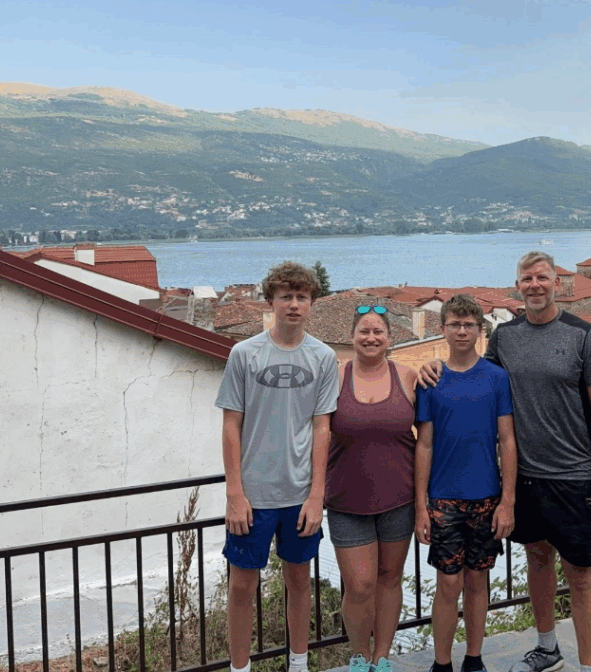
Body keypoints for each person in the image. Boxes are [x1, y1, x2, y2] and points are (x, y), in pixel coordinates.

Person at [420, 252, 591, 672]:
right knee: (537, 560)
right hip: (525, 476)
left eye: (542, 278)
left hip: (574, 475)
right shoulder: (505, 337)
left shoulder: (584, 336)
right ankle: (547, 649)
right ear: (518, 286)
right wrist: (432, 364)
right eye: (526, 279)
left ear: (556, 284)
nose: (534, 285)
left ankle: (589, 667)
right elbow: (472, 375)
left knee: (582, 574)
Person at [216, 261, 339, 672]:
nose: (294, 304)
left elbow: (322, 427)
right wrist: (235, 493)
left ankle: (298, 664)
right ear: (271, 301)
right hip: (253, 496)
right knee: (241, 587)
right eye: (286, 296)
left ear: (312, 302)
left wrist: (317, 496)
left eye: (302, 297)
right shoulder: (244, 354)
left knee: (300, 582)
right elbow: (230, 425)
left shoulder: (323, 357)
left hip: (300, 494)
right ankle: (239, 668)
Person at [414, 294, 517, 672]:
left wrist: (508, 502)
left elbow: (507, 440)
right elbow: (424, 444)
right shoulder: (431, 380)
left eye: (468, 324)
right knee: (448, 584)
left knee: (477, 582)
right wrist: (420, 506)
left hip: (487, 498)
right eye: (454, 324)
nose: (461, 331)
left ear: (479, 330)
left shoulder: (496, 378)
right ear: (443, 329)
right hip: (444, 500)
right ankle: (441, 663)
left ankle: (474, 658)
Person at [325, 304, 419, 672]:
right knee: (360, 585)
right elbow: (317, 433)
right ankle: (359, 656)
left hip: (400, 498)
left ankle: (382, 657)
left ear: (390, 338)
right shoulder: (334, 377)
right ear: (351, 337)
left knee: (390, 578)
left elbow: (427, 436)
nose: (371, 337)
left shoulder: (408, 377)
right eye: (364, 331)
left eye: (378, 331)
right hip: (346, 500)